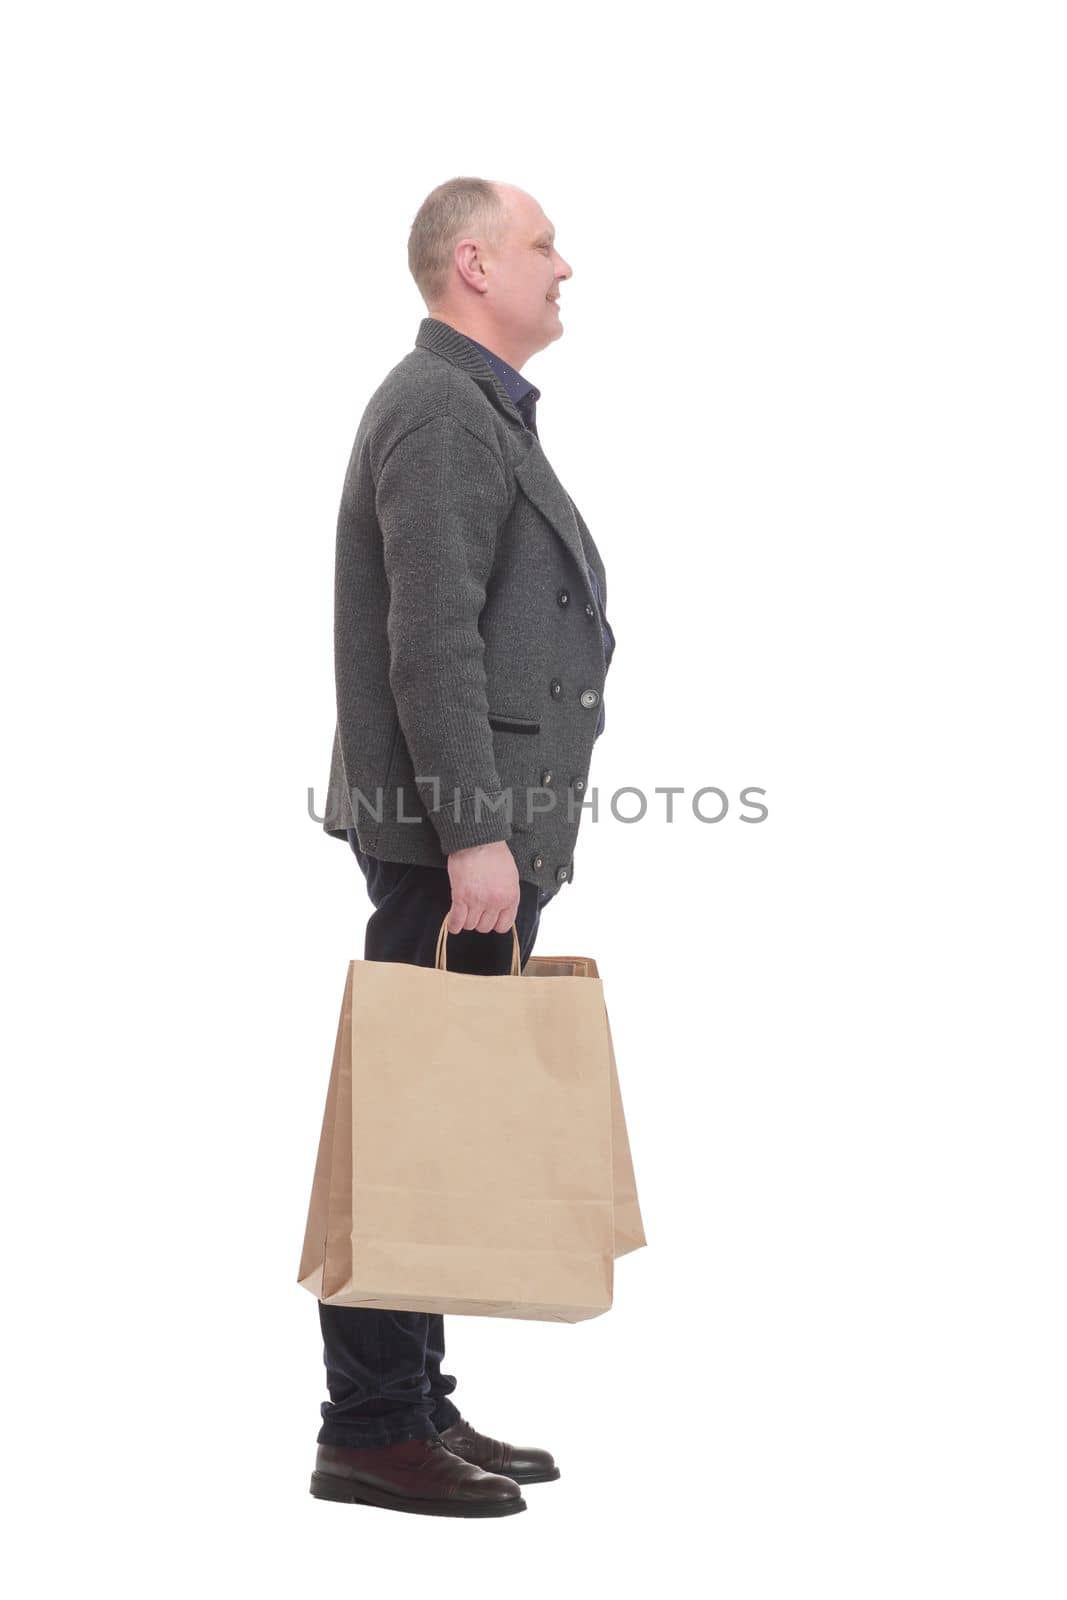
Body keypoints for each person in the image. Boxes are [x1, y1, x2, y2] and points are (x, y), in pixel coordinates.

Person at [311, 176, 616, 1518]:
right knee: (414, 1125)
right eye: (546, 245)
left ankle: (411, 1403)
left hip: (469, 838)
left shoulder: (472, 406)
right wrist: (476, 834)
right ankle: (372, 1428)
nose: (569, 266)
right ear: (476, 263)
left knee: (442, 1115)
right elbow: (426, 643)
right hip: (454, 842)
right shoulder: (440, 410)